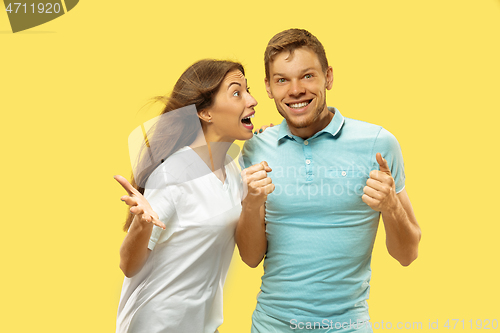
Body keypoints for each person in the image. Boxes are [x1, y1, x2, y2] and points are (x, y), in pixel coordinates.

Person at [236, 29, 422, 333]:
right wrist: (250, 204)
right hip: (271, 326)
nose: (295, 90)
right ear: (268, 88)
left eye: (307, 76)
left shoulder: (378, 143)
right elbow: (251, 258)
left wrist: (391, 208)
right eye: (282, 80)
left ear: (328, 77)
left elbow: (408, 254)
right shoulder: (256, 148)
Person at [114, 59, 273, 333]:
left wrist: (267, 151)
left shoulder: (234, 172)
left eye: (249, 91)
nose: (253, 100)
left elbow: (252, 257)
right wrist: (141, 224)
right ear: (206, 113)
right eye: (237, 93)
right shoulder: (173, 174)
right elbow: (128, 266)